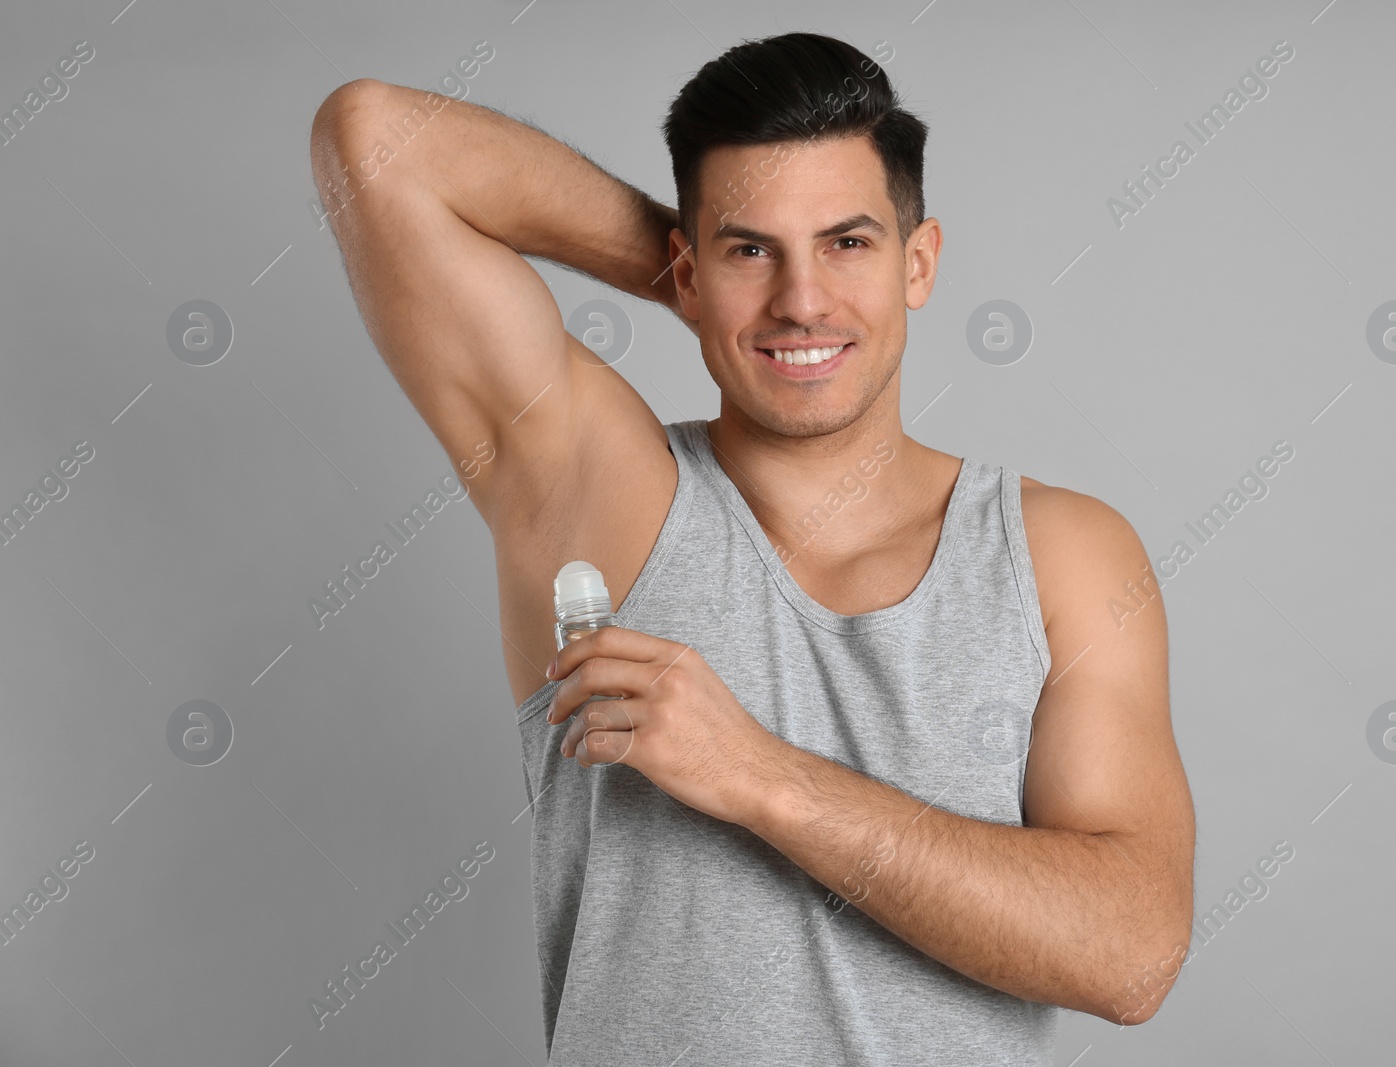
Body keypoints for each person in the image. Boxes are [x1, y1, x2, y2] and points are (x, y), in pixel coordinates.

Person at [310, 30, 1193, 1063]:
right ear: (686, 270)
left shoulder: (1062, 553)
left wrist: (759, 775)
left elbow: (1132, 955)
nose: (802, 299)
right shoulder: (601, 499)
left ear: (920, 262)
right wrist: (692, 280)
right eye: (750, 250)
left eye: (846, 243)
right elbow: (374, 141)